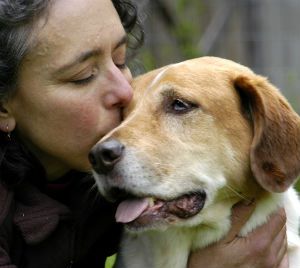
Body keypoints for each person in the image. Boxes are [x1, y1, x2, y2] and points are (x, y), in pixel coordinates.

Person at [0, 0, 288, 267]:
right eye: (83, 75)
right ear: (4, 105)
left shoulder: (96, 180)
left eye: (120, 59)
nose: (126, 90)